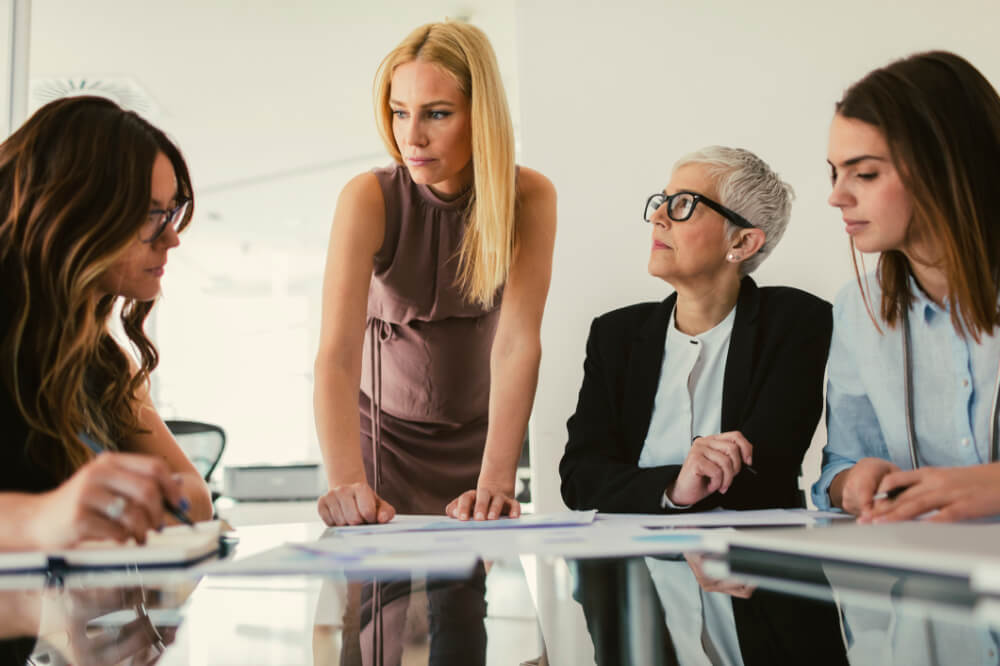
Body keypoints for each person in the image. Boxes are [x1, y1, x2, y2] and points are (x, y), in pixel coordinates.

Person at [313, 20, 556, 527]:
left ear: (480, 117)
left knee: (466, 602)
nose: (411, 136)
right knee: (379, 604)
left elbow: (516, 345)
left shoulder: (529, 198)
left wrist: (496, 478)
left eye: (437, 114)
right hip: (382, 441)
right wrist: (344, 482)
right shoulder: (368, 198)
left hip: (477, 444)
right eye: (400, 113)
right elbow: (336, 354)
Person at [560, 146, 832, 514]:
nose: (657, 216)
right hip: (633, 561)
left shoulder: (796, 322)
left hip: (750, 558)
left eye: (683, 204)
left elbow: (767, 469)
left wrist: (639, 486)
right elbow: (580, 480)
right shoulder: (615, 335)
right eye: (663, 200)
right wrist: (674, 487)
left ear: (742, 242)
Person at [0, 96, 213, 555]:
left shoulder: (101, 359)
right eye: (151, 215)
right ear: (74, 213)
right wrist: (43, 517)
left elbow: (194, 500)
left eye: (171, 211)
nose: (173, 237)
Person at [813, 50, 1000, 523]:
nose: (837, 196)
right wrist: (855, 484)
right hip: (932, 582)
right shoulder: (859, 307)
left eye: (866, 173)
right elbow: (839, 466)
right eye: (835, 172)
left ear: (946, 165)